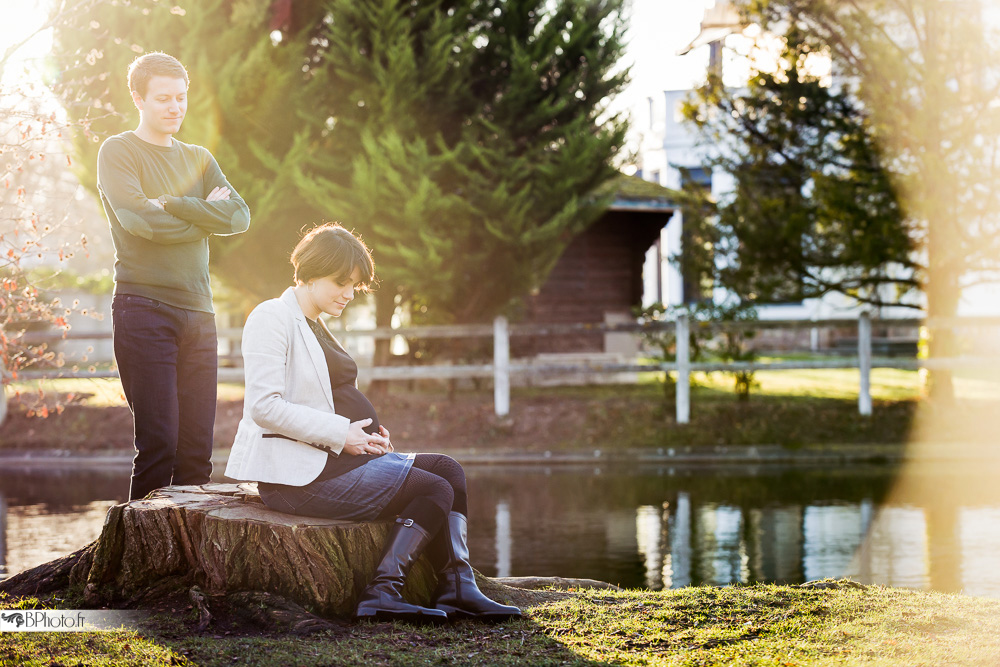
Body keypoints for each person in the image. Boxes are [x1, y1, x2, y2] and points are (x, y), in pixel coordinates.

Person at [225, 223, 520, 624]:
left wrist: (364, 436)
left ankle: (457, 587)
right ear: (310, 273)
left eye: (355, 285)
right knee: (433, 488)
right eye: (341, 282)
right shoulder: (271, 317)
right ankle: (383, 592)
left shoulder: (316, 323)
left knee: (448, 470)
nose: (349, 294)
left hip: (339, 458)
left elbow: (322, 397)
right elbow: (265, 406)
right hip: (297, 478)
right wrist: (341, 433)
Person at [96, 52, 251, 501]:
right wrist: (205, 217)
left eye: (181, 97)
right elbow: (140, 223)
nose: (175, 107)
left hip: (199, 314)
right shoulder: (118, 151)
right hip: (143, 310)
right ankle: (136, 544)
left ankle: (189, 546)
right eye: (163, 98)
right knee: (159, 445)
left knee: (197, 453)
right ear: (138, 98)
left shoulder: (199, 159)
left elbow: (238, 216)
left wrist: (175, 204)